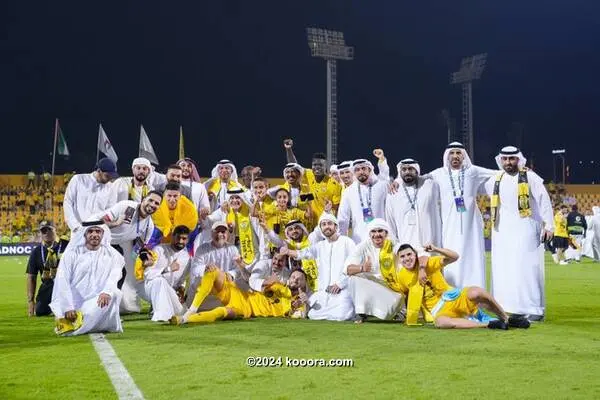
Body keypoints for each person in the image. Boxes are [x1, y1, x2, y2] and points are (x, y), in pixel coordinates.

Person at [485, 146, 554, 322]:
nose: (508, 162)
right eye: (505, 159)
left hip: (526, 228)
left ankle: (534, 309)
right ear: (500, 160)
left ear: (519, 160)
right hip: (502, 231)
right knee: (505, 269)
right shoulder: (494, 180)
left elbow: (543, 200)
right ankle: (510, 307)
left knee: (527, 269)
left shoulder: (530, 177)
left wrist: (549, 225)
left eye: (512, 159)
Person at [393, 243, 530, 329]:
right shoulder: (401, 276)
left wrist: (435, 248)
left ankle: (506, 318)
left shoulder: (428, 263)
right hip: (438, 311)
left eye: (409, 254)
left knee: (477, 291)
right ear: (399, 260)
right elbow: (405, 296)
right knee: (440, 323)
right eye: (403, 256)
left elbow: (454, 257)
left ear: (415, 255)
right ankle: (489, 324)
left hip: (453, 296)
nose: (407, 259)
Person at [427, 142, 497, 289]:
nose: (455, 156)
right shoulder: (438, 173)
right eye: (452, 153)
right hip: (448, 226)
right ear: (447, 156)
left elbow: (498, 174)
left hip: (471, 225)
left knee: (473, 256)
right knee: (450, 256)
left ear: (464, 156)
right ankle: (452, 292)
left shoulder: (474, 171)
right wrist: (396, 180)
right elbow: (418, 179)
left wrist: (523, 172)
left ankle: (474, 293)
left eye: (459, 153)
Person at [49, 221, 124, 336]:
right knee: (73, 323)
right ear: (84, 234)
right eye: (90, 231)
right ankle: (83, 324)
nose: (94, 234)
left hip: (98, 301)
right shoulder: (71, 254)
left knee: (115, 294)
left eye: (98, 231)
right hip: (74, 304)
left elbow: (115, 275)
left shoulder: (113, 255)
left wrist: (106, 291)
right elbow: (62, 282)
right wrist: (67, 307)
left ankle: (84, 326)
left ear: (103, 234)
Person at [282, 213, 356, 321]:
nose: (327, 227)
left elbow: (353, 265)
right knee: (313, 314)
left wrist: (340, 284)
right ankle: (327, 312)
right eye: (324, 224)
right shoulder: (320, 246)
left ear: (336, 226)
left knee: (342, 315)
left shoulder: (347, 242)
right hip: (325, 291)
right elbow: (303, 253)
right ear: (321, 228)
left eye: (329, 224)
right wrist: (288, 251)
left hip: (342, 289)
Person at [96, 191, 162, 313]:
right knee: (101, 273)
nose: (153, 204)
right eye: (150, 200)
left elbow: (141, 247)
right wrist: (116, 223)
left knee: (120, 272)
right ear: (143, 200)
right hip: (97, 241)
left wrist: (145, 258)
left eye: (157, 203)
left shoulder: (149, 226)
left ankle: (108, 306)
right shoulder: (127, 206)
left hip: (113, 245)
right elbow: (100, 221)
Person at [173, 266, 309, 324]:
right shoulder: (278, 285)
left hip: (246, 309)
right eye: (293, 277)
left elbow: (297, 315)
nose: (295, 280)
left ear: (304, 284)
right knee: (214, 271)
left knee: (220, 312)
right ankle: (191, 310)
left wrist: (296, 305)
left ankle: (184, 320)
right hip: (241, 295)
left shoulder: (299, 303)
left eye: (299, 279)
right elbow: (260, 286)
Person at [343, 219, 403, 323]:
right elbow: (347, 269)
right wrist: (362, 268)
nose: (377, 235)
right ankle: (361, 313)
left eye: (380, 231)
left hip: (392, 289)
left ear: (386, 233)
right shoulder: (363, 246)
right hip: (373, 287)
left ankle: (399, 312)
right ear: (369, 234)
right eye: (373, 232)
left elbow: (408, 254)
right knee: (353, 278)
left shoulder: (394, 245)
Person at [135, 225, 191, 322]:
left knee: (182, 312)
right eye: (178, 238)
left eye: (184, 238)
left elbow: (182, 280)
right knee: (159, 281)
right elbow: (147, 274)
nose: (181, 241)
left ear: (187, 240)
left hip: (170, 289)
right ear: (173, 236)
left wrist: (181, 288)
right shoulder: (159, 250)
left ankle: (157, 307)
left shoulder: (187, 258)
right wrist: (168, 269)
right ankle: (161, 316)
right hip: (147, 287)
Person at [186, 221, 247, 309]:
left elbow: (237, 269)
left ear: (227, 234)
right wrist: (205, 268)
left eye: (223, 232)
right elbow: (195, 268)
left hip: (224, 287)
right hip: (206, 291)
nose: (220, 234)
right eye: (217, 232)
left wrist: (231, 274)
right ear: (211, 233)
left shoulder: (232, 249)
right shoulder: (202, 249)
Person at [385, 159, 442, 252]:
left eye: (410, 169)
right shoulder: (393, 192)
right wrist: (395, 244)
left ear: (417, 171)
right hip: (405, 245)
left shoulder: (429, 185)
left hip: (429, 243)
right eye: (404, 170)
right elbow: (390, 220)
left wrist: (397, 180)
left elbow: (440, 175)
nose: (407, 172)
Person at [209, 188, 268, 267]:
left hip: (251, 250)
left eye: (237, 198)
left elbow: (261, 235)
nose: (234, 200)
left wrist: (263, 255)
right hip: (231, 250)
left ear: (243, 199)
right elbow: (210, 219)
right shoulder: (225, 211)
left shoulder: (250, 213)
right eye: (232, 198)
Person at [284, 139, 342, 218]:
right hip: (309, 224)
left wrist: (330, 210)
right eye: (315, 164)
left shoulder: (334, 185)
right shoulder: (309, 174)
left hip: (324, 225)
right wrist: (288, 149)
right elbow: (294, 165)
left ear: (326, 166)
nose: (317, 167)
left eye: (320, 165)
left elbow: (338, 209)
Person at [338, 159, 388, 243]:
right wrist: (340, 241)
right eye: (357, 170)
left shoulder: (382, 187)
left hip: (381, 237)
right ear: (354, 172)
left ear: (370, 170)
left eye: (363, 168)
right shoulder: (349, 191)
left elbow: (390, 212)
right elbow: (343, 218)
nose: (361, 172)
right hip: (359, 239)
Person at [63, 158, 118, 232]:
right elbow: (68, 203)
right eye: (107, 176)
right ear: (99, 171)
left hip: (98, 233)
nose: (110, 179)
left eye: (112, 176)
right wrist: (74, 226)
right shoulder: (78, 180)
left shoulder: (111, 188)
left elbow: (110, 211)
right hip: (78, 230)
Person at [26, 221, 68, 316]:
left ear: (55, 230)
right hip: (48, 285)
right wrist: (30, 301)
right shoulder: (36, 252)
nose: (47, 233)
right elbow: (31, 277)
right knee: (40, 311)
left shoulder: (67, 246)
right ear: (40, 233)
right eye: (43, 231)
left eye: (49, 229)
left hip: (67, 285)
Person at [149, 182, 198, 249]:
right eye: (169, 196)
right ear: (164, 195)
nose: (172, 200)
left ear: (180, 196)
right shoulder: (157, 204)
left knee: (191, 233)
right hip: (162, 231)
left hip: (180, 231)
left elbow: (191, 226)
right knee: (154, 231)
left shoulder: (189, 207)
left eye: (175, 196)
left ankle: (189, 253)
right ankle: (148, 250)